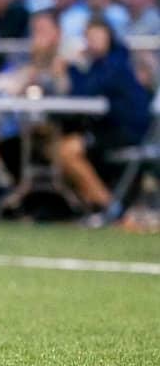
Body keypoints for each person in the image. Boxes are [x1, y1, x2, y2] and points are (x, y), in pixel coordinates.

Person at [57, 17, 152, 226]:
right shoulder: (99, 64)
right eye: (89, 37)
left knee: (67, 151)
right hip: (109, 128)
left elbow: (87, 92)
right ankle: (98, 206)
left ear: (109, 36)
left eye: (98, 36)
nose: (93, 42)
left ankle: (110, 208)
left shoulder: (116, 62)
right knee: (58, 147)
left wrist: (71, 68)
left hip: (125, 130)